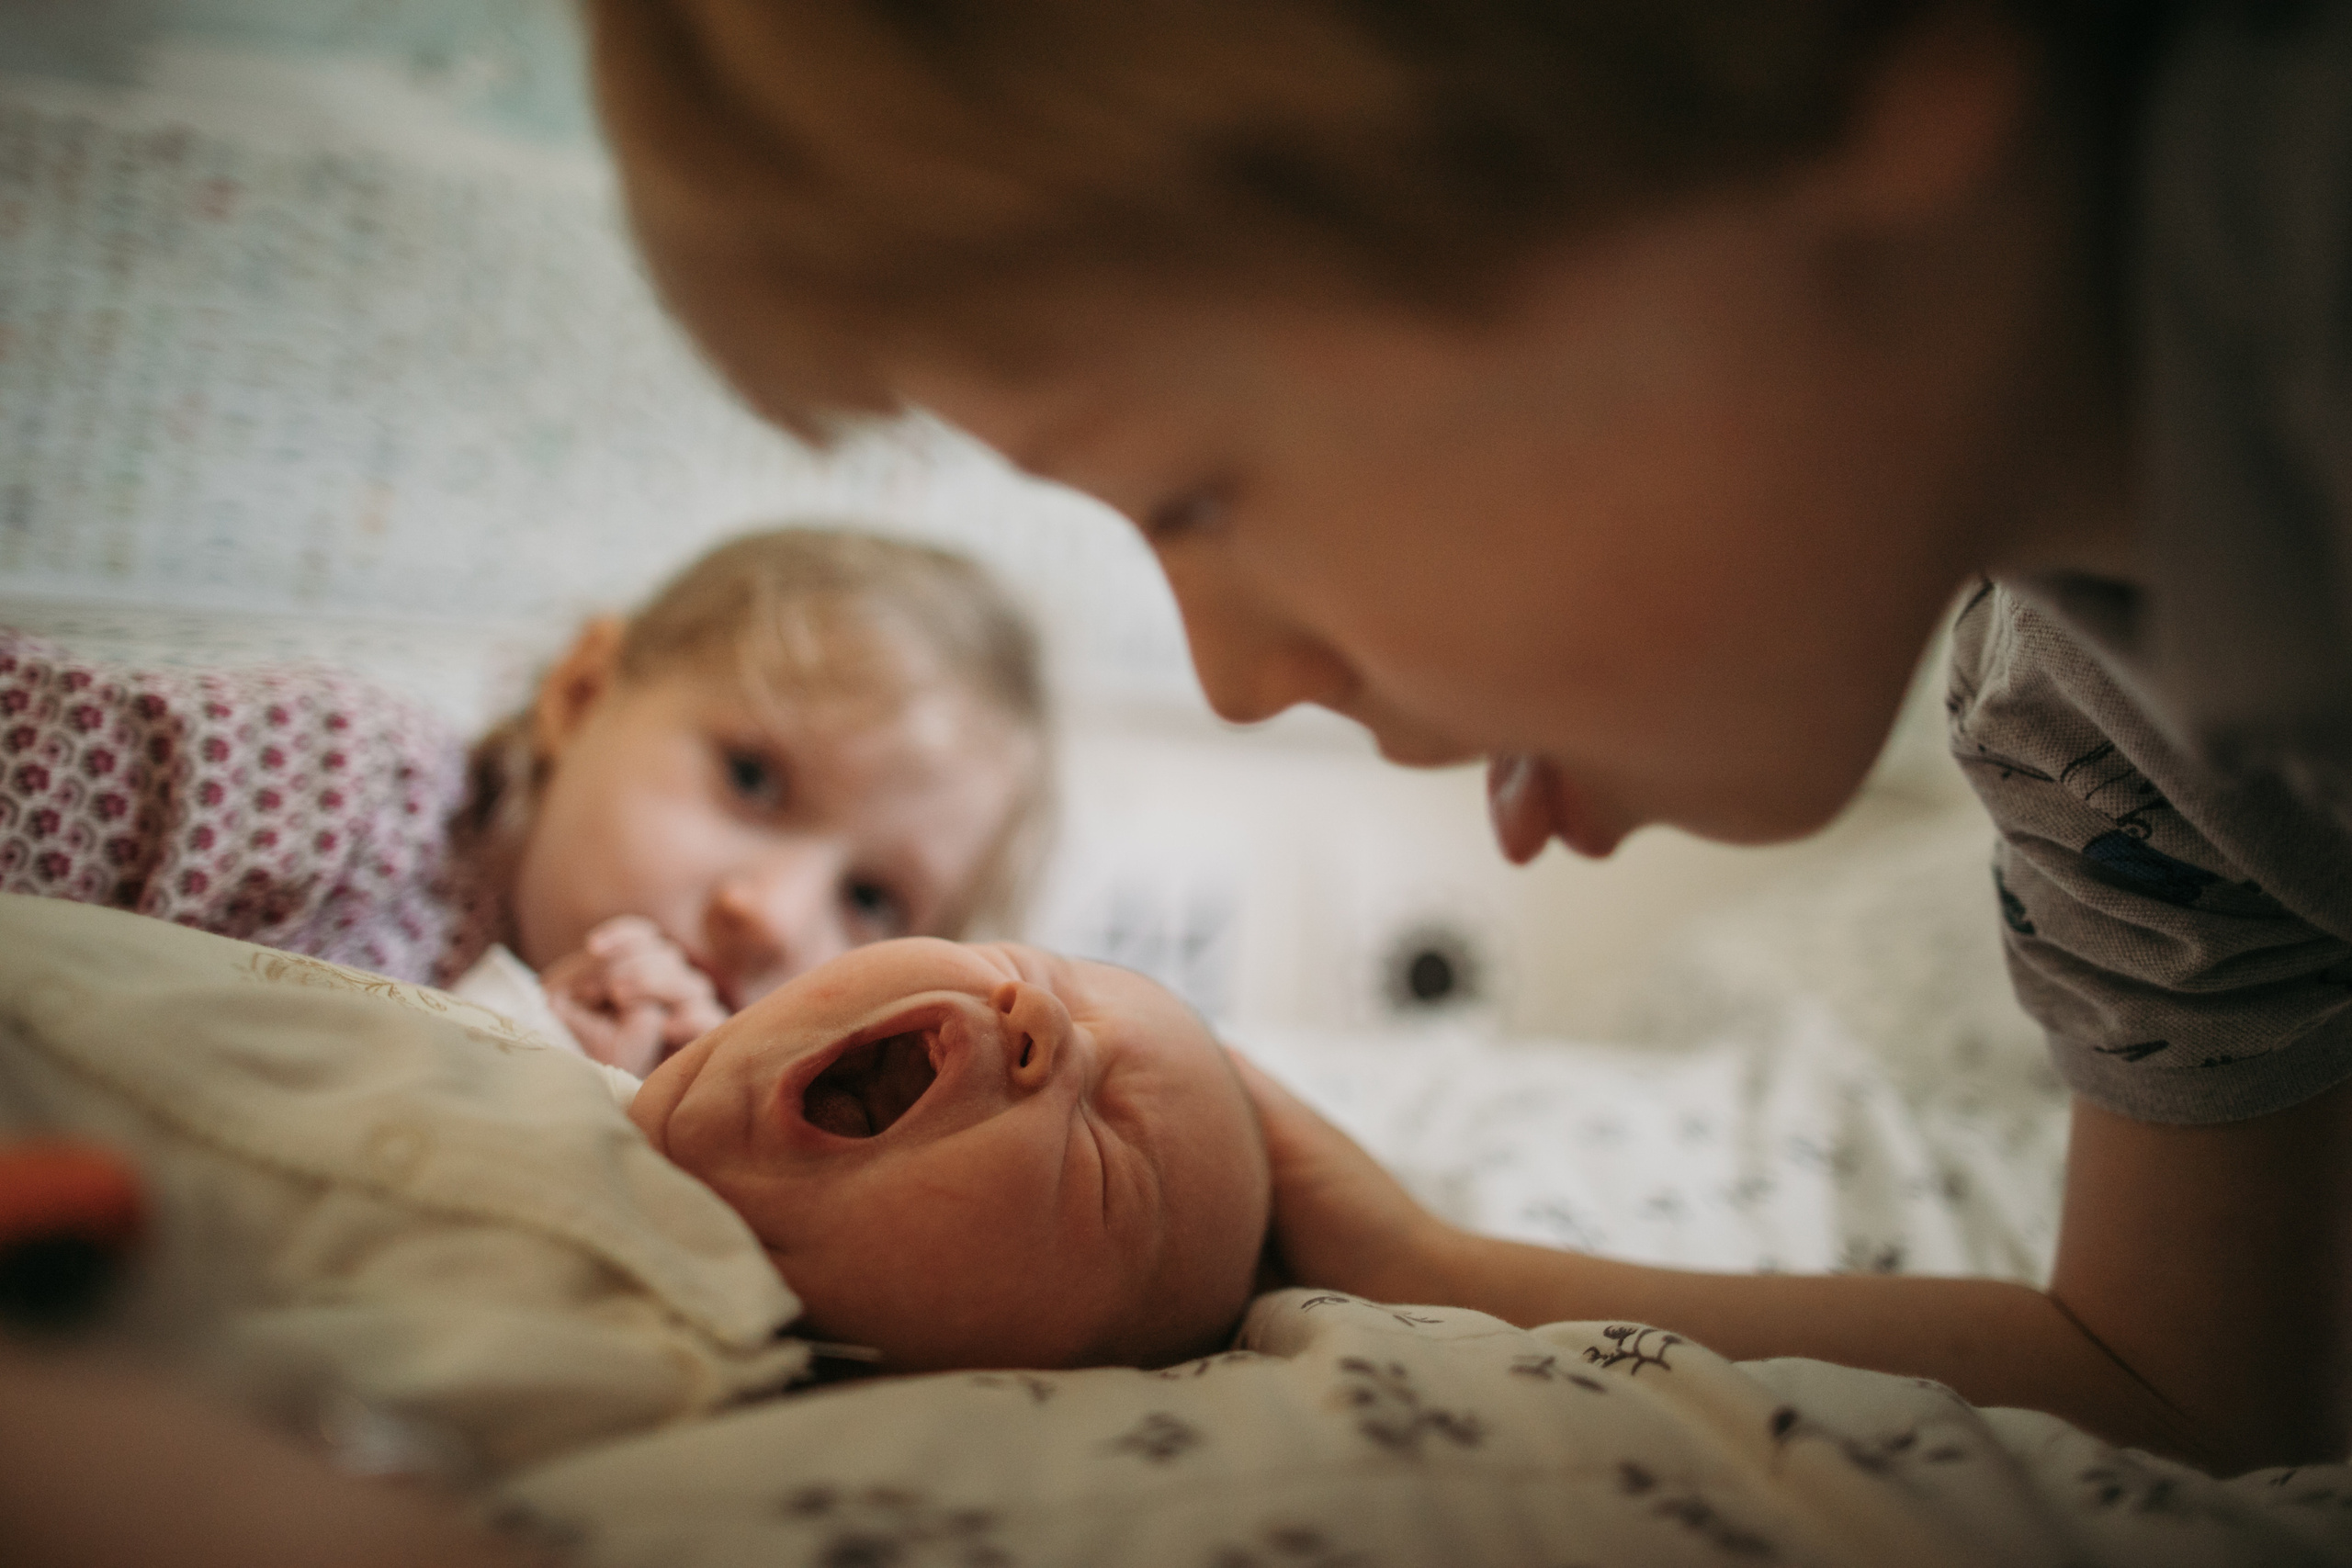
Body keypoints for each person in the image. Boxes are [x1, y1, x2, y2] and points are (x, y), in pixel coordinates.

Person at [583, 0, 2352, 1475]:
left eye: (1193, 492)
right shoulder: (2098, 744)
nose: (1235, 681)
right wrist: (1424, 1264)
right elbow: (2191, 1390)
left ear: (1823, 78)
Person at [1, 525, 1054, 1073]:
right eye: (751, 778)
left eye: (871, 901)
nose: (771, 916)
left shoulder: (734, 1128)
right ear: (583, 694)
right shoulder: (341, 786)